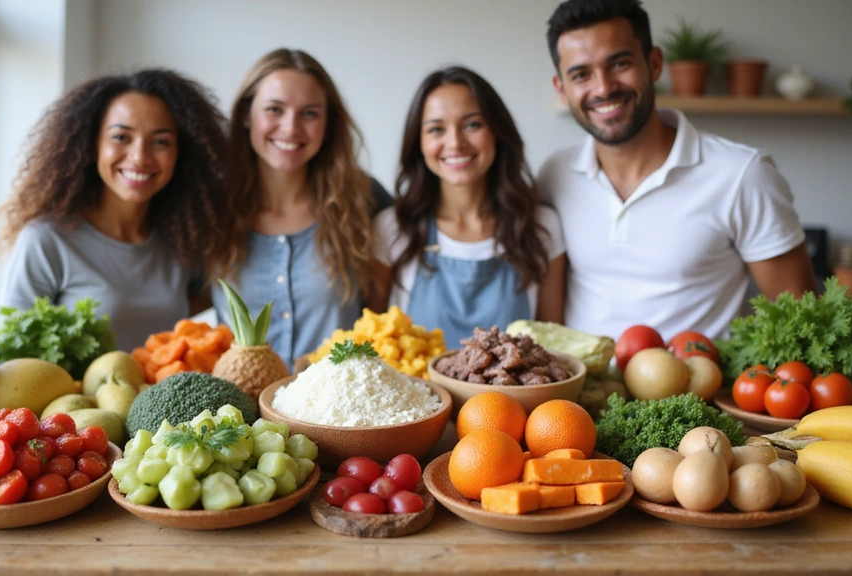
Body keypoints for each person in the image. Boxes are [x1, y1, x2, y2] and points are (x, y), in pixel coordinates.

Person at [539, 0, 817, 341]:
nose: (603, 88)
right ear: (561, 89)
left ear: (654, 64)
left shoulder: (742, 174)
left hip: (698, 391)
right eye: (581, 74)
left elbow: (803, 320)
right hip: (580, 394)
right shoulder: (554, 175)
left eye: (620, 63)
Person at [0, 69, 228, 352]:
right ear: (92, 144)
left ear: (181, 153)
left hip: (157, 392)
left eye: (160, 141)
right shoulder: (47, 240)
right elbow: (12, 355)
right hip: (72, 397)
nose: (140, 156)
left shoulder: (183, 239)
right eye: (121, 137)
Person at [212, 48, 387, 369]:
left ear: (328, 124)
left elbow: (386, 316)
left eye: (309, 113)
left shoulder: (365, 199)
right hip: (241, 412)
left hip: (338, 409)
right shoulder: (213, 208)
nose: (291, 127)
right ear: (247, 115)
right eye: (274, 109)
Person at [371, 66, 565, 350]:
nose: (456, 143)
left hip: (511, 397)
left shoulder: (540, 225)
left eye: (472, 124)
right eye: (436, 129)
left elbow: (556, 350)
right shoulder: (392, 228)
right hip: (421, 394)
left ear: (497, 132)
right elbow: (370, 343)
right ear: (419, 143)